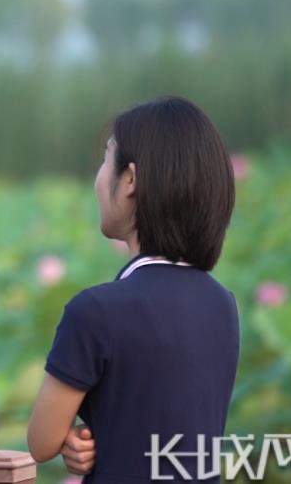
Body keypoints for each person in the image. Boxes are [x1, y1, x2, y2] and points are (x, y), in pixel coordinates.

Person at [27, 96, 240, 482]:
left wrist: (72, 437)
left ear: (130, 180)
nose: (98, 178)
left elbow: (41, 442)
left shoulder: (95, 311)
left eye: (105, 160)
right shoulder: (223, 304)